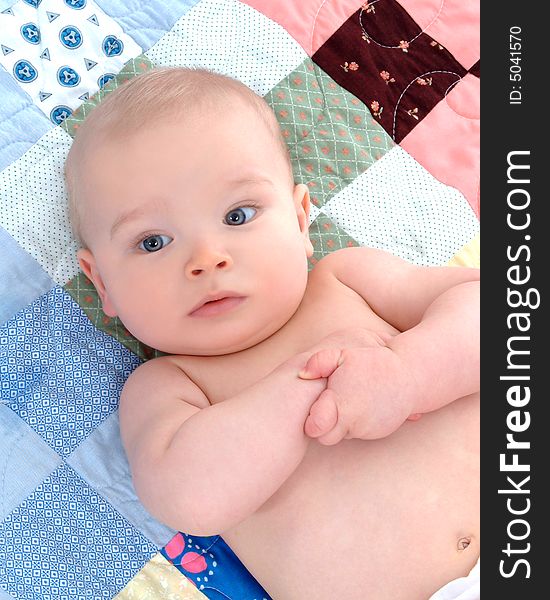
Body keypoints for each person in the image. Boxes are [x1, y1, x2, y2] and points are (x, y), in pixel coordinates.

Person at [64, 67, 480, 600]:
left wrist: (411, 372)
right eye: (152, 242)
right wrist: (304, 387)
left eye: (237, 214)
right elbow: (191, 497)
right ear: (103, 283)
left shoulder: (349, 281)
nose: (207, 259)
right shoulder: (170, 386)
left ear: (302, 221)